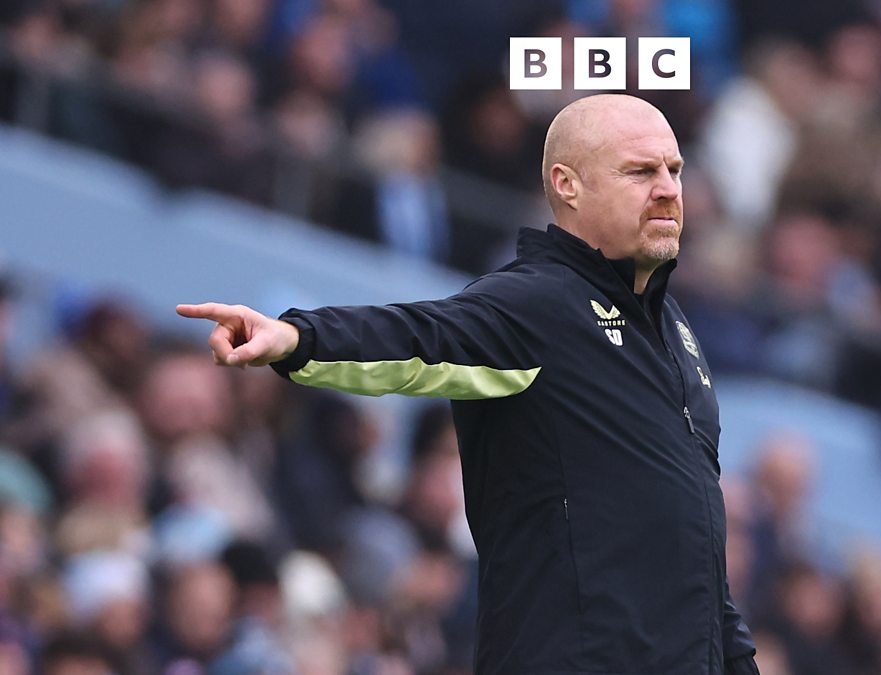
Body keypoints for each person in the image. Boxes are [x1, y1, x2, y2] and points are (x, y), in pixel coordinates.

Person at [176, 93, 760, 675]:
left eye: (674, 170)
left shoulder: (675, 331)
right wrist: (297, 337)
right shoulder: (538, 304)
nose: (668, 189)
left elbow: (697, 555)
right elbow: (419, 337)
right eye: (640, 171)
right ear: (568, 185)